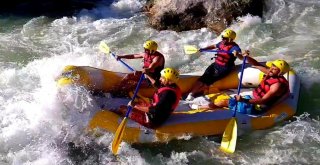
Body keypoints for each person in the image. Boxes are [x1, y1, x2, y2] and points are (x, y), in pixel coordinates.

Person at [191, 51, 290, 115]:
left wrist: (243, 100)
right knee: (227, 100)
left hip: (258, 107)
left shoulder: (277, 85)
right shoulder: (270, 73)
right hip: (253, 98)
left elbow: (263, 100)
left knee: (223, 102)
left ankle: (199, 107)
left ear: (280, 72)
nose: (271, 69)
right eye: (272, 66)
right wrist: (245, 57)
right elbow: (255, 64)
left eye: (275, 68)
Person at [186, 29, 244, 101]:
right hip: (215, 64)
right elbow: (214, 46)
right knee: (202, 79)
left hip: (224, 68)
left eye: (225, 38)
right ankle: (191, 94)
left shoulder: (235, 47)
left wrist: (237, 54)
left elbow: (241, 57)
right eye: (222, 37)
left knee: (207, 82)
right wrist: (204, 49)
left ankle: (196, 93)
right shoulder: (222, 43)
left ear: (230, 39)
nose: (222, 39)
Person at [115, 68, 182, 128]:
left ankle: (112, 114)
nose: (160, 79)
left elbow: (155, 110)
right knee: (138, 101)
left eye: (162, 77)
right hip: (155, 111)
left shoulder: (168, 94)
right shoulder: (172, 85)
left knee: (122, 108)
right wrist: (147, 74)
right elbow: (157, 84)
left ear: (168, 80)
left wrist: (135, 106)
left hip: (152, 120)